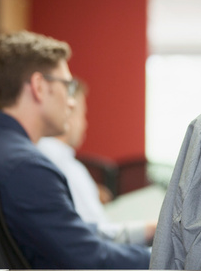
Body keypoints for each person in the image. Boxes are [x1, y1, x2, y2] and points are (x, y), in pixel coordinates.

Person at [0, 31, 151, 269]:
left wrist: (144, 232)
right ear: (39, 87)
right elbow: (89, 259)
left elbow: (64, 233)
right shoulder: (27, 167)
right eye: (67, 85)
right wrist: (171, 259)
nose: (72, 101)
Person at [38, 80, 156, 246]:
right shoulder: (63, 165)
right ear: (68, 114)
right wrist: (151, 230)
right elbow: (96, 236)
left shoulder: (47, 156)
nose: (85, 124)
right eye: (82, 115)